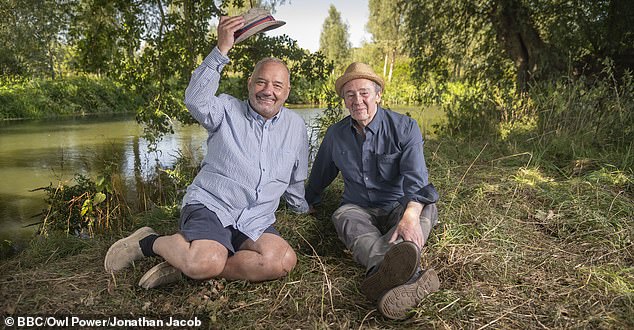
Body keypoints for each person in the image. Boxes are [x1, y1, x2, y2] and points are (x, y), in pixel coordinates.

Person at [104, 14, 309, 289]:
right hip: (212, 206)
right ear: (249, 83)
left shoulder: (296, 127)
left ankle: (186, 265)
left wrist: (301, 208)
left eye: (277, 85)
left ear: (287, 91)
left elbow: (296, 176)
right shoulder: (226, 109)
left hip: (254, 218)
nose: (267, 91)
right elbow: (195, 99)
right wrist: (221, 49)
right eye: (261, 82)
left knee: (281, 261)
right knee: (207, 261)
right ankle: (149, 242)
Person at [305, 62, 440, 320]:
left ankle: (381, 275)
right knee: (342, 216)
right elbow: (320, 175)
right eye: (350, 94)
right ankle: (411, 276)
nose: (358, 100)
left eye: (364, 93)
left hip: (398, 206)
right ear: (344, 100)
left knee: (425, 205)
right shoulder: (335, 135)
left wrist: (409, 217)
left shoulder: (405, 128)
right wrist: (307, 200)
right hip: (358, 209)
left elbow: (416, 180)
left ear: (378, 95)